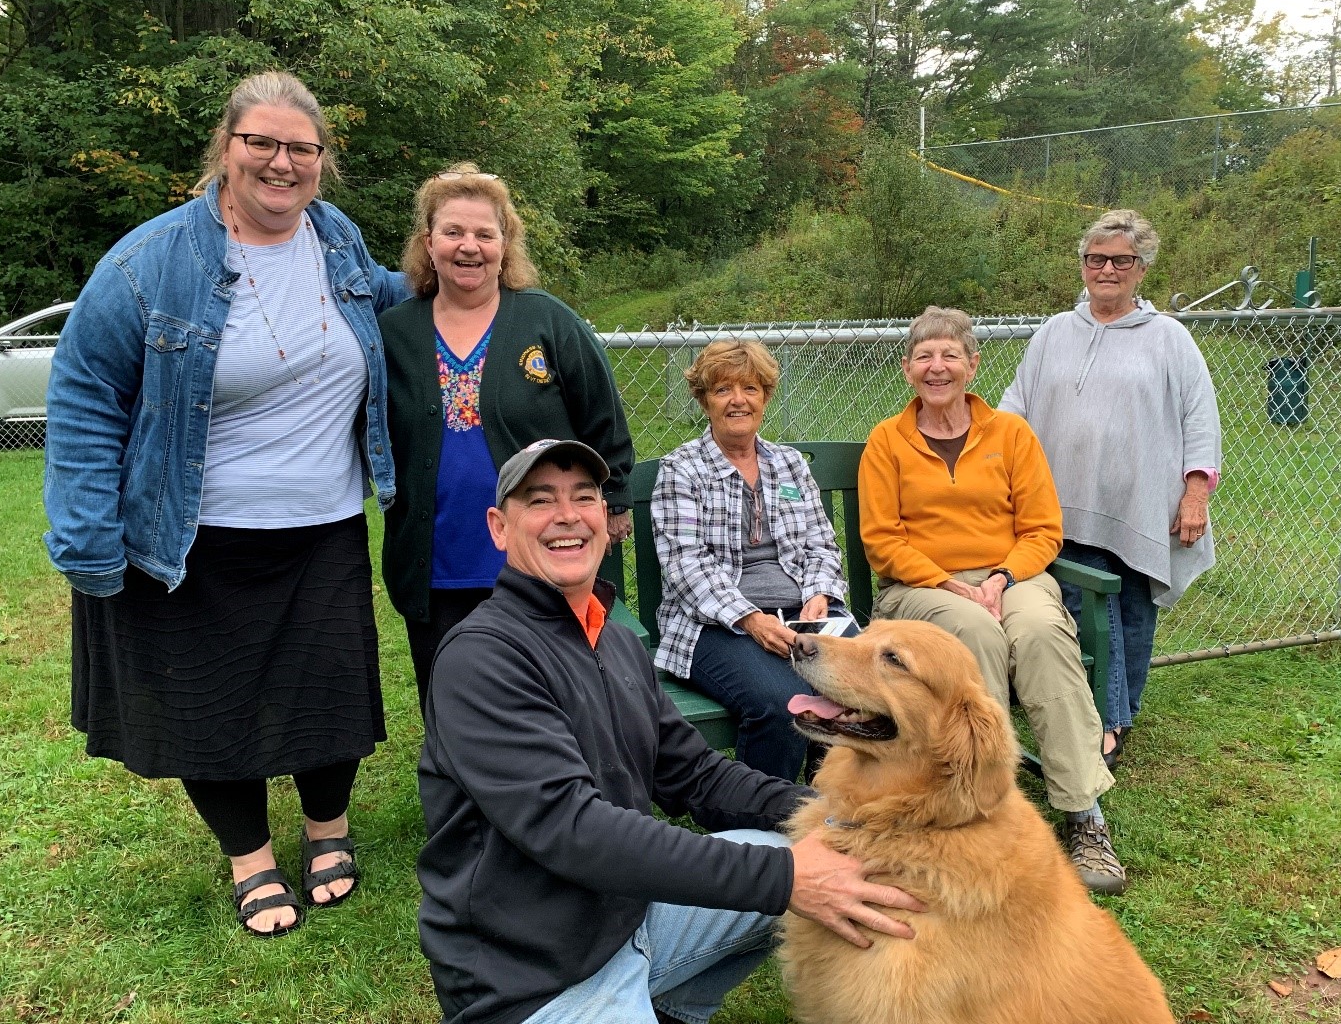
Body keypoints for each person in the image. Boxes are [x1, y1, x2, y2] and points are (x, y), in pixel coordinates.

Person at [43, 71, 407, 937]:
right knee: (206, 703)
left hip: (322, 526)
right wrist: (88, 537)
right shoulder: (149, 261)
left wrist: (470, 272)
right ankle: (249, 857)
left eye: (301, 149)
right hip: (192, 538)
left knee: (328, 697)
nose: (282, 163)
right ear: (227, 147)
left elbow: (393, 298)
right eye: (263, 144)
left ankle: (329, 830)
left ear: (323, 162)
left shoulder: (337, 240)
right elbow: (86, 397)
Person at [418, 438, 922, 1024]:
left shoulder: (610, 638)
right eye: (540, 500)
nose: (566, 515)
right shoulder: (483, 659)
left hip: (627, 921)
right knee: (788, 870)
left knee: (802, 850)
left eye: (585, 497)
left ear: (606, 523)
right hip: (535, 979)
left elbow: (696, 775)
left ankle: (670, 1006)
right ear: (499, 527)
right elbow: (576, 831)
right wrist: (785, 880)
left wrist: (838, 819)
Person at [859, 306, 1126, 895]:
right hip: (921, 587)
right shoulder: (887, 441)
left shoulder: (1010, 434)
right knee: (971, 630)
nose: (938, 367)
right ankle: (990, 803)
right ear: (908, 368)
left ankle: (1084, 813)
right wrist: (951, 584)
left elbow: (1042, 529)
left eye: (950, 355)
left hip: (1012, 575)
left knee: (1039, 631)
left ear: (973, 365)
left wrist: (1001, 579)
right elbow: (882, 540)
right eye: (925, 356)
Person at [378, 163, 634, 716]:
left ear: (504, 243)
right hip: (436, 558)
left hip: (541, 550)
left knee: (561, 693)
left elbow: (604, 418)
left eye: (484, 234)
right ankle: (460, 798)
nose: (468, 247)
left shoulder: (545, 320)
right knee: (451, 700)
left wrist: (613, 503)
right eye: (452, 232)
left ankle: (568, 795)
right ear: (428, 243)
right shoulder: (395, 332)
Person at [1000, 209, 1221, 770]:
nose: (1106, 269)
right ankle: (1110, 720)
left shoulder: (1170, 338)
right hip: (1062, 502)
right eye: (1096, 258)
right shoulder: (1054, 332)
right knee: (1081, 601)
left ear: (1141, 269)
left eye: (1121, 260)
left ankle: (1121, 711)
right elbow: (1016, 405)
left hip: (1141, 501)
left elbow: (1201, 418)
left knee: (1132, 607)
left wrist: (1195, 494)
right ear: (1083, 264)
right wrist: (989, 457)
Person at [650, 339, 853, 783]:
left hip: (804, 612)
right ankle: (761, 826)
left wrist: (819, 594)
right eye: (723, 390)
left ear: (765, 396)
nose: (738, 400)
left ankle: (839, 811)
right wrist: (751, 619)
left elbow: (822, 544)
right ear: (705, 401)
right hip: (716, 624)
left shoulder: (790, 464)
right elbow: (686, 566)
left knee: (860, 688)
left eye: (750, 388)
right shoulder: (682, 468)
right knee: (781, 704)